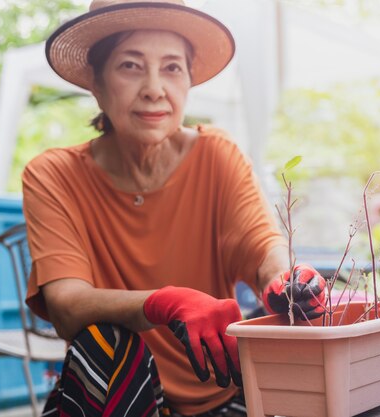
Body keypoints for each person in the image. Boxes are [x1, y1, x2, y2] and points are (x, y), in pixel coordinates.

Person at [22, 1, 326, 416]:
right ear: (96, 83)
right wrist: (165, 303)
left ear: (188, 81)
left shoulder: (218, 155)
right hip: (121, 397)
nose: (153, 88)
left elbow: (262, 247)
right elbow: (66, 305)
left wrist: (286, 279)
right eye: (130, 66)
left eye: (171, 68)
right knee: (103, 340)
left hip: (219, 392)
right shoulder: (53, 174)